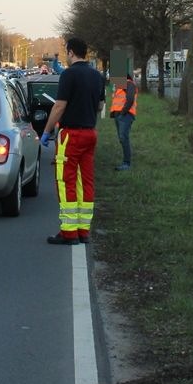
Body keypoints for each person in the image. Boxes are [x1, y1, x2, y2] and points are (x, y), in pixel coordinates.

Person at [39, 36, 105, 245]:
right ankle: (83, 231)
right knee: (85, 181)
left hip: (71, 135)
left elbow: (59, 106)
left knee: (65, 180)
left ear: (70, 52)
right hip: (90, 133)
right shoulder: (97, 76)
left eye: (66, 52)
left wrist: (47, 131)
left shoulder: (69, 75)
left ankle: (69, 233)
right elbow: (101, 106)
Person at [109, 73, 137, 171]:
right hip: (120, 115)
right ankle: (126, 161)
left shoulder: (129, 84)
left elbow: (130, 99)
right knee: (122, 138)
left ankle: (126, 163)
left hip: (125, 115)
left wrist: (123, 112)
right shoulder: (120, 87)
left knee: (123, 137)